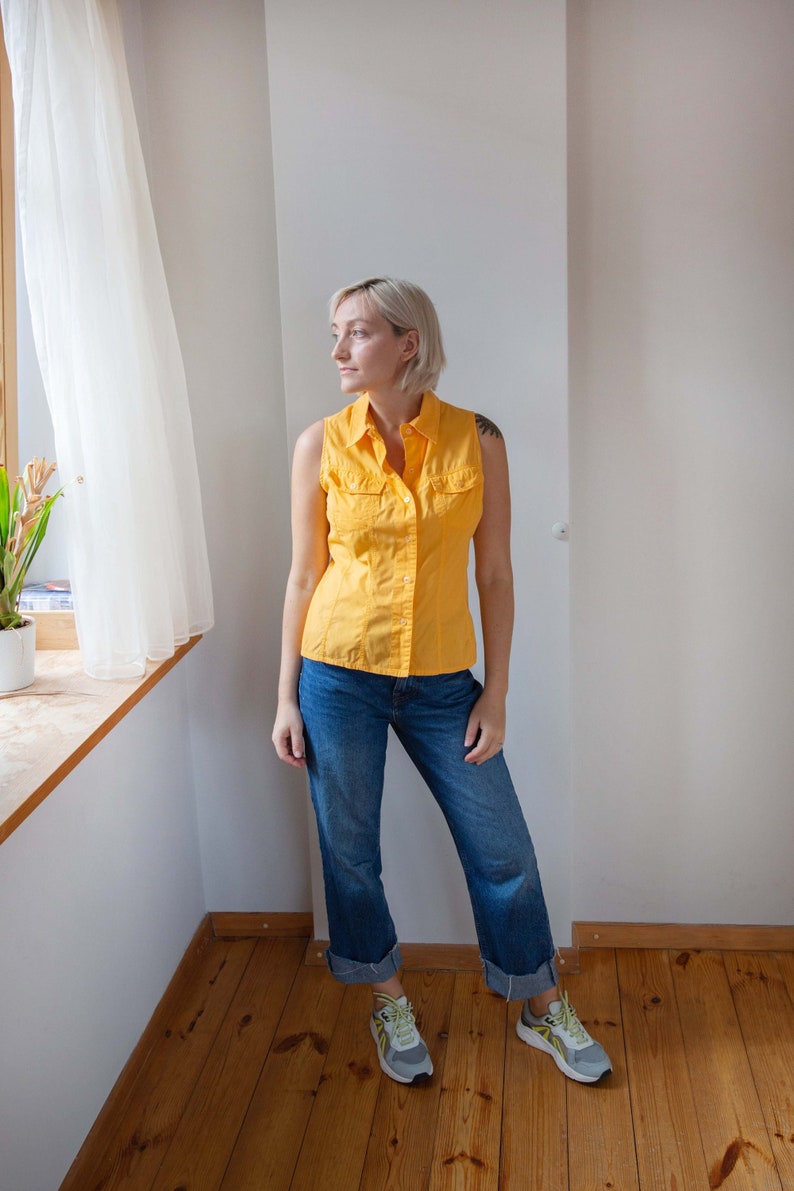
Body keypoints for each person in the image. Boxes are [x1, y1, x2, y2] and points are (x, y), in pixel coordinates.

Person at [272, 277, 611, 1087]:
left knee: (504, 849)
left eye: (355, 333)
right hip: (336, 673)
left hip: (441, 682)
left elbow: (495, 573)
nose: (338, 350)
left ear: (407, 342)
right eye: (336, 333)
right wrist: (285, 694)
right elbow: (302, 576)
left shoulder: (478, 439)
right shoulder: (319, 443)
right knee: (349, 852)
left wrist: (494, 691)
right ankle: (388, 999)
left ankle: (540, 1005)